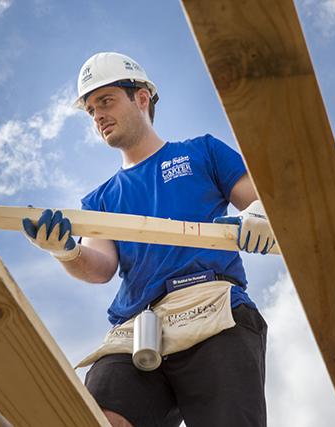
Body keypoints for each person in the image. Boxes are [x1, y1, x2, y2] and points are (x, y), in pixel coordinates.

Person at [21, 52, 275, 427]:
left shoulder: (201, 152)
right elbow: (100, 268)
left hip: (213, 309)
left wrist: (260, 212)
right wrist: (66, 250)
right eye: (91, 110)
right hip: (137, 326)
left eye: (106, 101)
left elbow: (256, 198)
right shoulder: (100, 200)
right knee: (102, 418)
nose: (98, 116)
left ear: (141, 98)